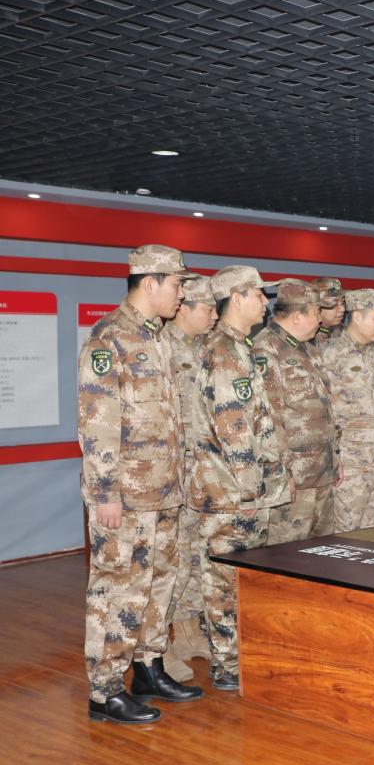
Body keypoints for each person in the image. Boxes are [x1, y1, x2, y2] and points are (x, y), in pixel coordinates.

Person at [78, 244, 201, 724]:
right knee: (117, 591)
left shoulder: (158, 337)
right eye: (177, 284)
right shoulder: (110, 338)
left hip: (163, 491)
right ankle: (104, 690)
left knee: (158, 584)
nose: (181, 294)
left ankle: (148, 669)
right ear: (150, 284)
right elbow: (97, 424)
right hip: (125, 498)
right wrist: (104, 493)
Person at [187, 265, 291, 693]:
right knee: (224, 581)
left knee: (239, 578)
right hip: (231, 494)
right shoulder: (226, 352)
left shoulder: (238, 348)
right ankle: (228, 664)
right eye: (258, 294)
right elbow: (234, 431)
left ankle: (239, 655)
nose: (265, 302)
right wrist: (251, 490)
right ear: (236, 297)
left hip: (242, 491)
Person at [160, 274, 217, 683]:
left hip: (202, 475)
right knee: (170, 562)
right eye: (208, 308)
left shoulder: (205, 348)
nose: (214, 316)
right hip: (173, 476)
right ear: (184, 308)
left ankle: (189, 633)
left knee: (196, 557)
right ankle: (158, 648)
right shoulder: (163, 347)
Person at [254, 279, 340, 543]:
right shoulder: (266, 350)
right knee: (286, 555)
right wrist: (282, 474)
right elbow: (269, 419)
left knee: (322, 552)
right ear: (296, 316)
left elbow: (325, 410)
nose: (321, 319)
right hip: (294, 481)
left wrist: (335, 459)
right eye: (316, 312)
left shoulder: (309, 350)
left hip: (322, 474)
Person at [322, 289, 374, 531]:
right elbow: (325, 413)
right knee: (347, 536)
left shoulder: (372, 355)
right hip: (350, 467)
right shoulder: (332, 355)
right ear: (358, 317)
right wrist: (335, 459)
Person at [311, 277, 345, 346]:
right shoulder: (304, 335)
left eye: (343, 302)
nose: (342, 309)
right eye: (335, 303)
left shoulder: (347, 333)